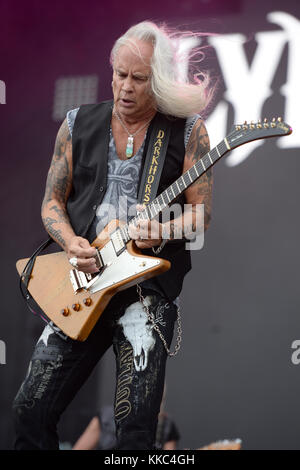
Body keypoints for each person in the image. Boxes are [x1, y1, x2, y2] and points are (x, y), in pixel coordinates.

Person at [12, 21, 213, 450]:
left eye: (138, 79)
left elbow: (201, 215)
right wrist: (70, 243)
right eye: (119, 74)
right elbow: (51, 203)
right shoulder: (76, 123)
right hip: (84, 284)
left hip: (145, 292)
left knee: (136, 428)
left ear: (156, 81)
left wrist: (162, 228)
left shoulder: (187, 131)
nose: (125, 86)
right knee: (30, 411)